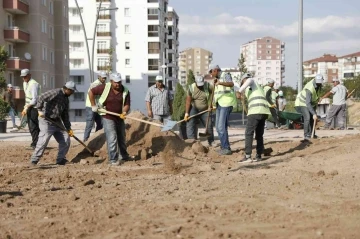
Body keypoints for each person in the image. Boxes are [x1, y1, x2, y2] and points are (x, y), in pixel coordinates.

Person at [30, 81, 77, 166]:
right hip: (46, 120)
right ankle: (34, 160)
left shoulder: (66, 99)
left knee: (66, 139)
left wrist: (68, 128)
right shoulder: (56, 92)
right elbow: (40, 97)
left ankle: (60, 159)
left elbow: (65, 115)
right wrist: (39, 110)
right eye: (72, 91)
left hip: (56, 121)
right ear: (67, 89)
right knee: (44, 140)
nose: (72, 93)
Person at [89, 73, 131, 165]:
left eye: (119, 82)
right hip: (107, 116)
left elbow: (127, 104)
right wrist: (93, 105)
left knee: (122, 137)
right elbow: (91, 92)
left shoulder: (125, 90)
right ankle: (113, 160)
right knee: (112, 137)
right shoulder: (104, 87)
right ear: (111, 81)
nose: (118, 84)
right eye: (115, 82)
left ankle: (123, 156)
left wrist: (124, 112)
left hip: (119, 117)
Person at [236, 73, 271, 163]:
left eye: (242, 83)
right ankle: (258, 155)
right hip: (263, 111)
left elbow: (249, 80)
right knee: (259, 134)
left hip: (256, 111)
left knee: (248, 133)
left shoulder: (251, 81)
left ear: (244, 80)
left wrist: (239, 91)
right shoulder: (257, 87)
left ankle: (248, 156)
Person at [209, 64, 237, 155]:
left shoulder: (225, 75)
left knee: (221, 127)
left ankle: (226, 148)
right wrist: (213, 104)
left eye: (211, 72)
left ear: (216, 70)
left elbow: (231, 84)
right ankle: (224, 146)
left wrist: (220, 83)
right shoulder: (216, 80)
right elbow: (217, 94)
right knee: (218, 127)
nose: (211, 75)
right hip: (219, 105)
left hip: (226, 103)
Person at [184, 75, 214, 146]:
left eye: (201, 85)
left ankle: (211, 141)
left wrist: (210, 104)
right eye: (199, 85)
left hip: (205, 109)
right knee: (190, 123)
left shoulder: (207, 85)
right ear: (195, 82)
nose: (200, 86)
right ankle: (191, 142)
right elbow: (188, 101)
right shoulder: (191, 88)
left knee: (209, 125)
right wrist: (186, 113)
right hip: (194, 108)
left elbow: (213, 93)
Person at [295, 74, 324, 141]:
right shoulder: (309, 88)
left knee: (312, 118)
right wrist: (314, 113)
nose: (319, 83)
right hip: (301, 103)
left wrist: (318, 99)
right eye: (318, 82)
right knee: (307, 117)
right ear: (315, 80)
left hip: (309, 103)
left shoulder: (318, 85)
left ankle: (312, 134)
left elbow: (315, 95)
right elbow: (307, 103)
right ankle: (306, 135)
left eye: (320, 82)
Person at [83, 71, 107, 142]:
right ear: (99, 77)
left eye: (105, 78)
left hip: (98, 107)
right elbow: (91, 94)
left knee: (100, 123)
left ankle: (95, 139)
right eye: (103, 78)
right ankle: (86, 140)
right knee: (90, 124)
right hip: (91, 106)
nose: (104, 79)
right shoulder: (95, 84)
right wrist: (93, 105)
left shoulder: (103, 84)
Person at [21, 69, 41, 150]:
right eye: (23, 77)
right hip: (29, 106)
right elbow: (27, 97)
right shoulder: (25, 83)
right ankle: (36, 143)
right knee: (31, 126)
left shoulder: (34, 84)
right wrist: (25, 107)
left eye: (25, 76)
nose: (24, 78)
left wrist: (27, 107)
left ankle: (36, 144)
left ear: (29, 75)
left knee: (34, 126)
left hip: (35, 107)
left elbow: (34, 99)